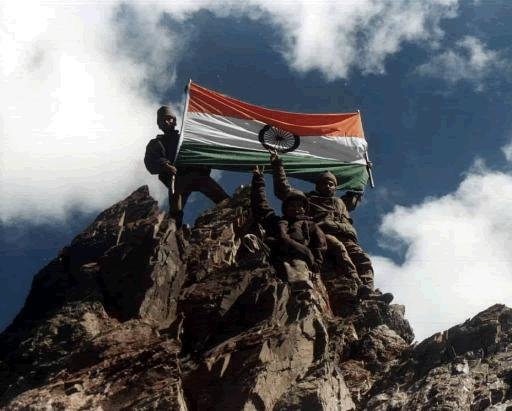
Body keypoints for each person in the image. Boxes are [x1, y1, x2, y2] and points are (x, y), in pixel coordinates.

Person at [271, 154, 393, 303]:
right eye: (324, 183)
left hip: (347, 237)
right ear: (318, 186)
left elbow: (357, 191)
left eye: (331, 184)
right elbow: (284, 190)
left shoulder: (341, 202)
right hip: (323, 236)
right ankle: (358, 284)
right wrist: (278, 166)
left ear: (335, 187)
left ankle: (369, 290)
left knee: (363, 259)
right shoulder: (309, 200)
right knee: (338, 248)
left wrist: (364, 172)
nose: (328, 186)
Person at [144, 106, 229, 226]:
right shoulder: (156, 143)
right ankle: (174, 233)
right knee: (175, 213)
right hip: (177, 180)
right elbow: (150, 162)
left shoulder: (186, 138)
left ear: (175, 121)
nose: (167, 122)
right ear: (159, 124)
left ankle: (233, 209)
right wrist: (165, 165)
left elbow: (202, 152)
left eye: (170, 119)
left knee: (222, 198)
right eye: (163, 120)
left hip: (196, 174)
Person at [251, 165, 326, 287]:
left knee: (299, 286)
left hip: (299, 258)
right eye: (292, 205)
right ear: (285, 208)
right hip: (274, 257)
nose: (296, 209)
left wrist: (316, 263)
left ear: (304, 209)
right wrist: (258, 179)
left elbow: (320, 244)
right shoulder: (276, 221)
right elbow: (260, 206)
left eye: (299, 206)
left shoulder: (310, 225)